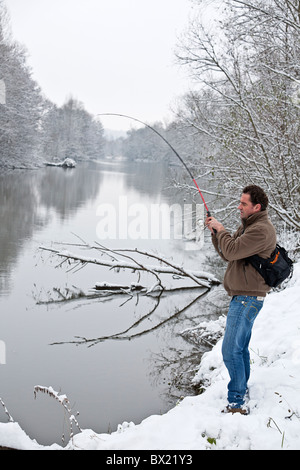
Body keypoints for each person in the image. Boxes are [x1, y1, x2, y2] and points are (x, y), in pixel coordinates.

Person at [206, 185, 277, 415]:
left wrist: (223, 229)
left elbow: (233, 250)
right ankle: (241, 391)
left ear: (257, 207)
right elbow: (228, 253)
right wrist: (217, 233)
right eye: (240, 202)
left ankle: (236, 404)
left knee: (229, 351)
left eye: (243, 203)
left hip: (248, 298)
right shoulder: (249, 226)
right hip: (243, 297)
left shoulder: (260, 230)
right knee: (241, 349)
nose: (239, 206)